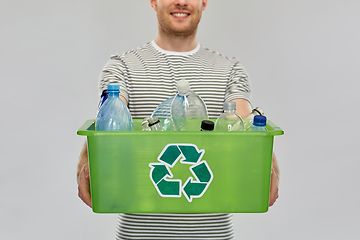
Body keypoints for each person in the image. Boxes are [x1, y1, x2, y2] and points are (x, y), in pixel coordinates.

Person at [77, 0, 280, 239]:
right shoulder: (122, 67)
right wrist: (86, 162)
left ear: (204, 2)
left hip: (212, 234)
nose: (181, 1)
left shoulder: (230, 70)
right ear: (153, 2)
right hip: (139, 233)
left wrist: (270, 166)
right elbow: (109, 117)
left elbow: (246, 121)